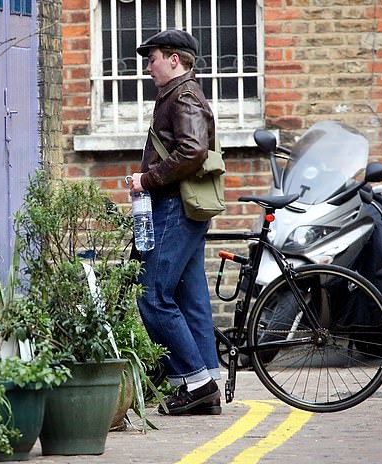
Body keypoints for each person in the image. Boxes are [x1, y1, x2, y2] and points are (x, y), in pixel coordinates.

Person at [127, 29, 221, 415]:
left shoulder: (182, 95)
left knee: (152, 294)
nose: (148, 67)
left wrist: (146, 179)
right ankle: (204, 383)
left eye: (153, 58)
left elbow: (193, 149)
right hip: (181, 208)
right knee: (190, 296)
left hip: (175, 209)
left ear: (175, 60)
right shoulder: (176, 94)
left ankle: (196, 382)